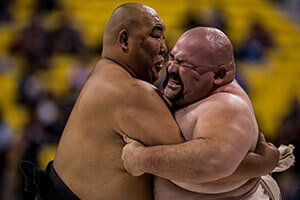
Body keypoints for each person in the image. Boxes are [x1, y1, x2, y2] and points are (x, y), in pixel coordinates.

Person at [20, 3, 279, 200]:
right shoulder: (131, 92)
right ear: (124, 40)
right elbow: (203, 169)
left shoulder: (104, 75)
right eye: (156, 35)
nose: (164, 49)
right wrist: (264, 163)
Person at [121, 27, 285, 200]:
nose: (171, 68)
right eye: (172, 58)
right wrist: (262, 163)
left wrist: (142, 159)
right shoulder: (189, 93)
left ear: (219, 74)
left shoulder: (227, 106)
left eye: (185, 64)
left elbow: (212, 163)